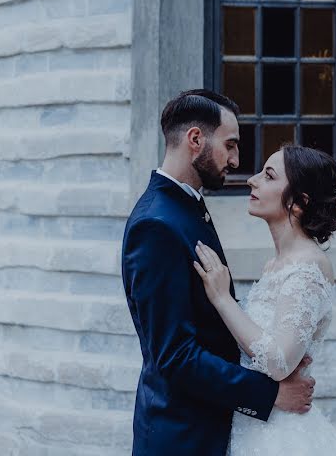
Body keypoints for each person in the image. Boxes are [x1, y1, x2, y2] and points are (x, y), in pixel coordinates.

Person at [121, 89, 316, 456]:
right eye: (230, 145)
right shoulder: (156, 225)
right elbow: (175, 356)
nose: (236, 159)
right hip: (181, 437)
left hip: (209, 428)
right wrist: (270, 394)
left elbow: (208, 327)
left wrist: (273, 355)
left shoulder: (187, 208)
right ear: (196, 139)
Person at [194, 145, 336, 455]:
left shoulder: (308, 267)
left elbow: (279, 361)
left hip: (281, 438)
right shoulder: (276, 266)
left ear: (299, 203)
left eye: (268, 176)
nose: (252, 181)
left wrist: (222, 298)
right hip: (254, 424)